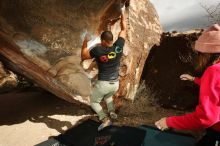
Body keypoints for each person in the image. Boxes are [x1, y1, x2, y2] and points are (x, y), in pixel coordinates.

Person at [155, 24, 220, 146]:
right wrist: (194, 79)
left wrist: (169, 122)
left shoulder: (213, 71)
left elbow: (205, 118)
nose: (198, 57)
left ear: (208, 52)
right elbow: (217, 89)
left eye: (199, 53)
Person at [81, 10, 126, 131]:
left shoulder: (98, 50)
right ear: (111, 40)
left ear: (104, 41)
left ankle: (104, 119)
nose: (101, 42)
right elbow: (123, 30)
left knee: (94, 102)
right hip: (115, 83)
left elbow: (84, 56)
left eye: (102, 41)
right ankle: (112, 112)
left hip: (104, 83)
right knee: (108, 97)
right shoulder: (119, 46)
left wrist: (85, 41)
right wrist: (122, 14)